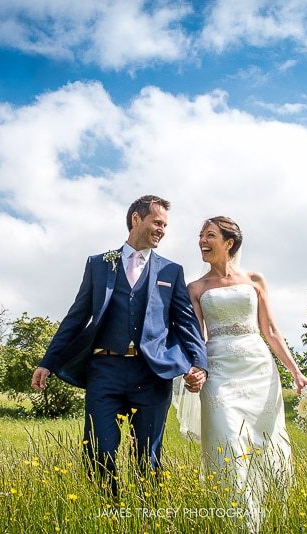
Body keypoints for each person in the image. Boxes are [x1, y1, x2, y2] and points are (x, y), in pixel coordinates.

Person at [31, 195, 208, 496]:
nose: (162, 230)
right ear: (136, 219)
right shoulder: (99, 264)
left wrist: (199, 363)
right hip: (105, 370)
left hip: (151, 373)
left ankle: (148, 516)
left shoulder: (170, 271)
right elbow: (76, 316)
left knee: (147, 457)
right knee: (98, 450)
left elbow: (187, 322)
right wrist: (47, 361)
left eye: (165, 225)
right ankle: (109, 513)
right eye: (157, 222)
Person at [179, 216, 307, 532]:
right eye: (200, 236)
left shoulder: (254, 279)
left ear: (229, 242)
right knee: (228, 442)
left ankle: (276, 518)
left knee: (267, 443)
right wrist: (196, 369)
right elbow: (198, 337)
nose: (202, 241)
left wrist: (297, 373)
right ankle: (240, 524)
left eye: (209, 235)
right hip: (220, 373)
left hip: (259, 371)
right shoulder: (195, 288)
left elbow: (271, 330)